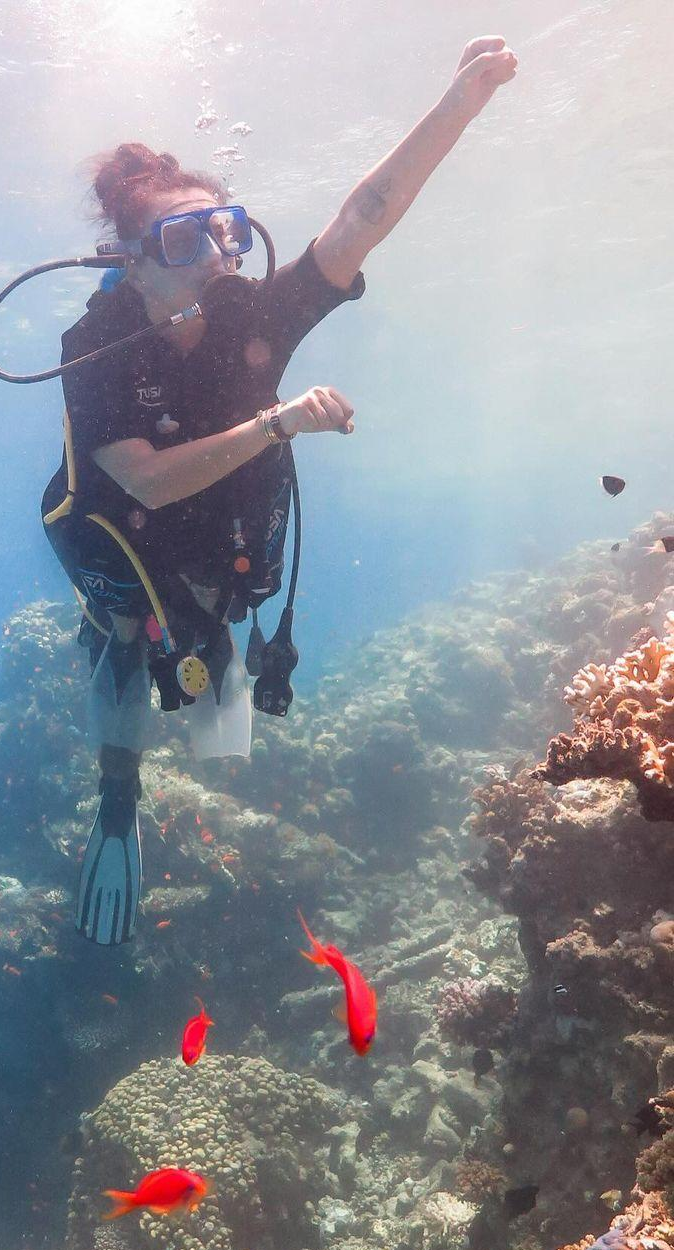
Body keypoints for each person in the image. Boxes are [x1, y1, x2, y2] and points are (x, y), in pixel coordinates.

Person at [42, 36, 518, 945]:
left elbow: (363, 215)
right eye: (185, 238)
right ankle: (116, 796)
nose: (220, 253)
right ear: (134, 263)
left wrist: (462, 99)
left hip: (217, 544)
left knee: (217, 702)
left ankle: (189, 648)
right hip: (126, 545)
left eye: (226, 227)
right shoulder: (95, 345)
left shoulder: (255, 313)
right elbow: (139, 474)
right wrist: (278, 423)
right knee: (126, 638)